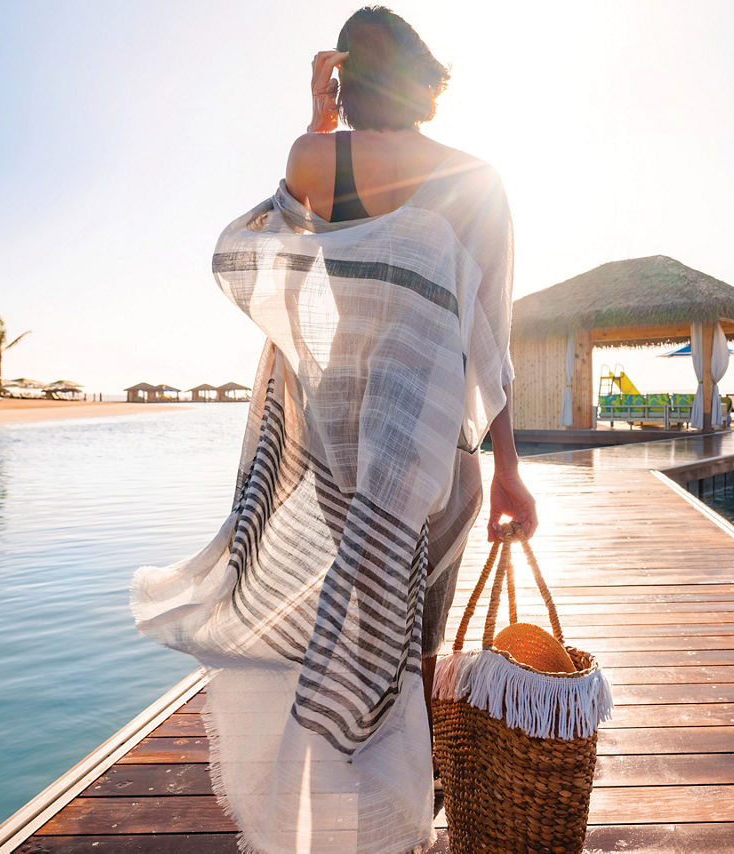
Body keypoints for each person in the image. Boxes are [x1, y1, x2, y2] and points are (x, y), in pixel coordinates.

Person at [132, 8, 535, 853]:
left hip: (337, 446)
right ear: (424, 76)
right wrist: (508, 471)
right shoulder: (478, 179)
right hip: (434, 454)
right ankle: (403, 822)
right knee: (412, 644)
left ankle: (344, 820)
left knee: (345, 634)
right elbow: (492, 340)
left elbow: (274, 253)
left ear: (348, 76)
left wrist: (316, 119)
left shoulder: (315, 161)